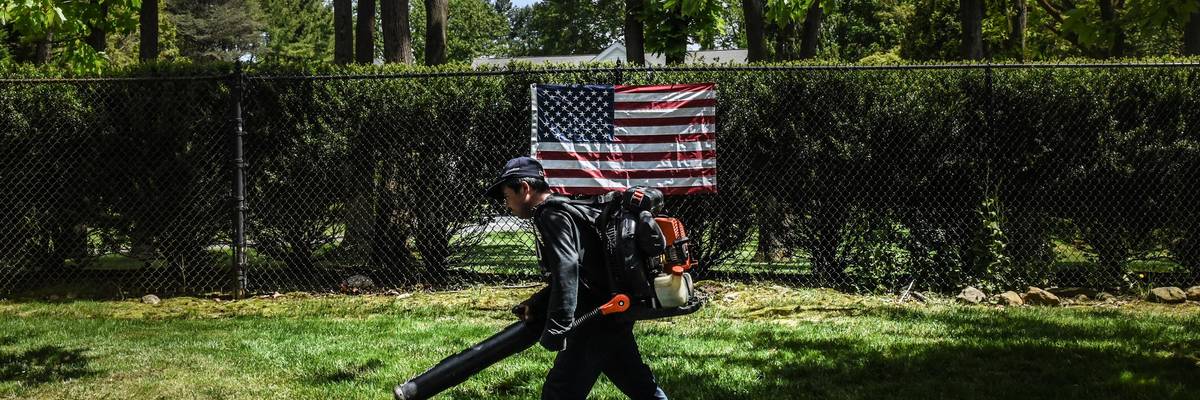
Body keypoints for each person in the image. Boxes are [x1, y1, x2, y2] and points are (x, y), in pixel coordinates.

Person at [484, 156, 669, 400]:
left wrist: (557, 329)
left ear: (525, 189)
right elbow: (585, 270)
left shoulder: (550, 215)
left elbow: (567, 271)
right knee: (640, 386)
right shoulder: (569, 208)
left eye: (507, 196)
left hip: (594, 319)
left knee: (559, 393)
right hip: (609, 312)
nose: (506, 204)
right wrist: (538, 303)